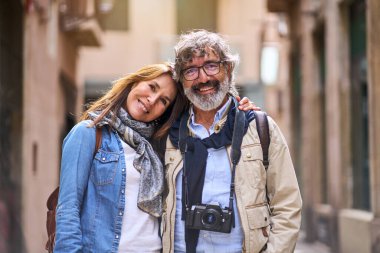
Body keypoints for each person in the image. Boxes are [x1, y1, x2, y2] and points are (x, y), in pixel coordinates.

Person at [54, 62, 256, 253]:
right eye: (152, 87)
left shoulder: (161, 145)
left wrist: (237, 111)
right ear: (135, 81)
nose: (152, 100)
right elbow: (67, 210)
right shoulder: (89, 133)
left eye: (163, 101)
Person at [162, 30, 302, 253]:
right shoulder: (167, 132)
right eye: (191, 70)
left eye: (211, 65)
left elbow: (287, 206)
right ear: (181, 81)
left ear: (228, 68)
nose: (203, 78)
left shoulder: (260, 128)